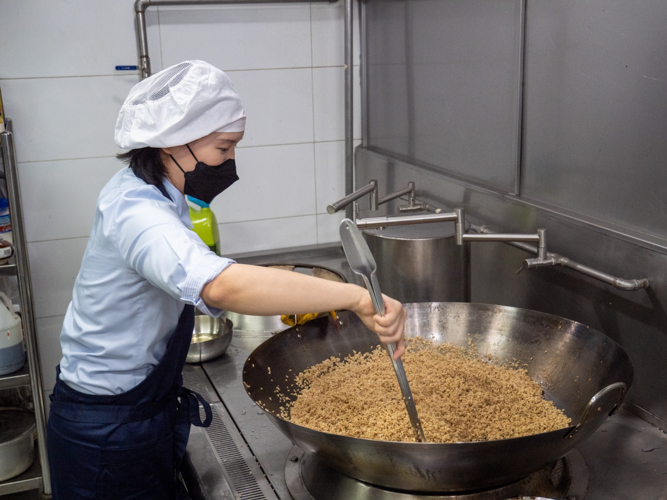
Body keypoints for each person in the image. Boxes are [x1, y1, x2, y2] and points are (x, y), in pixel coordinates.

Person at [46, 60, 407, 500]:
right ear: (173, 144)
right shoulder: (137, 213)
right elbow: (221, 286)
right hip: (108, 432)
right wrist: (355, 297)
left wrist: (291, 282)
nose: (230, 162)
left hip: (140, 411)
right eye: (223, 148)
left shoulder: (156, 193)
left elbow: (202, 269)